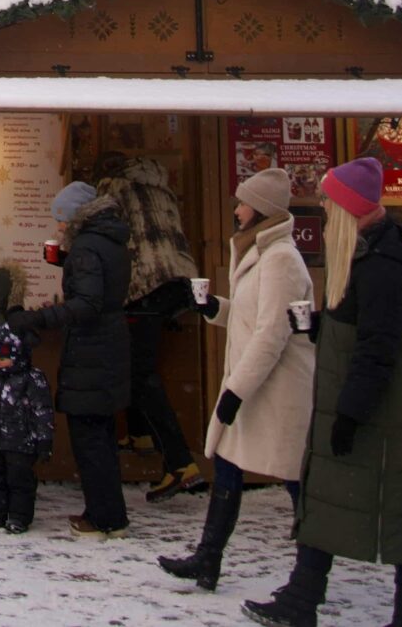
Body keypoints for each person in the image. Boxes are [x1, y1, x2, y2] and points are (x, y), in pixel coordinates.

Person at [246, 158, 402, 627]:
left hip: (379, 414)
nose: (325, 209)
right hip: (357, 404)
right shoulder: (366, 257)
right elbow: (359, 329)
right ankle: (304, 598)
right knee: (329, 499)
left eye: (330, 202)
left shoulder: (382, 267)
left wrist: (350, 414)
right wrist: (318, 327)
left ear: (349, 209)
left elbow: (377, 348)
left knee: (397, 507)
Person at [163, 165, 313, 591]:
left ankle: (310, 573)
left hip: (277, 389)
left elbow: (272, 333)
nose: (237, 209)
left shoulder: (281, 259)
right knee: (229, 465)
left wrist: (235, 391)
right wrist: (215, 307)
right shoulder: (259, 253)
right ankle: (208, 558)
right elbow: (252, 317)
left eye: (243, 203)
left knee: (295, 479)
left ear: (261, 209)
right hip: (258, 384)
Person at [12, 179, 133, 538]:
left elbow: (87, 304)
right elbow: (101, 293)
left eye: (62, 219)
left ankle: (103, 519)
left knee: (90, 440)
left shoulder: (85, 247)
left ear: (77, 217)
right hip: (109, 346)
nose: (59, 227)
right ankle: (110, 513)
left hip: (91, 351)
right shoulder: (111, 241)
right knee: (103, 437)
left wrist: (40, 318)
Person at [103, 154, 204, 499]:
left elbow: (112, 234)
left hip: (146, 283)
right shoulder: (162, 188)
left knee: (140, 372)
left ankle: (180, 463)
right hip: (179, 283)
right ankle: (141, 434)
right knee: (137, 361)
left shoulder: (115, 187)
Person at [0, 322, 55, 532]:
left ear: (18, 355)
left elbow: (43, 412)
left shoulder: (32, 379)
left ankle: (18, 517)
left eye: (3, 358)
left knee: (19, 481)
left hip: (21, 444)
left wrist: (45, 441)